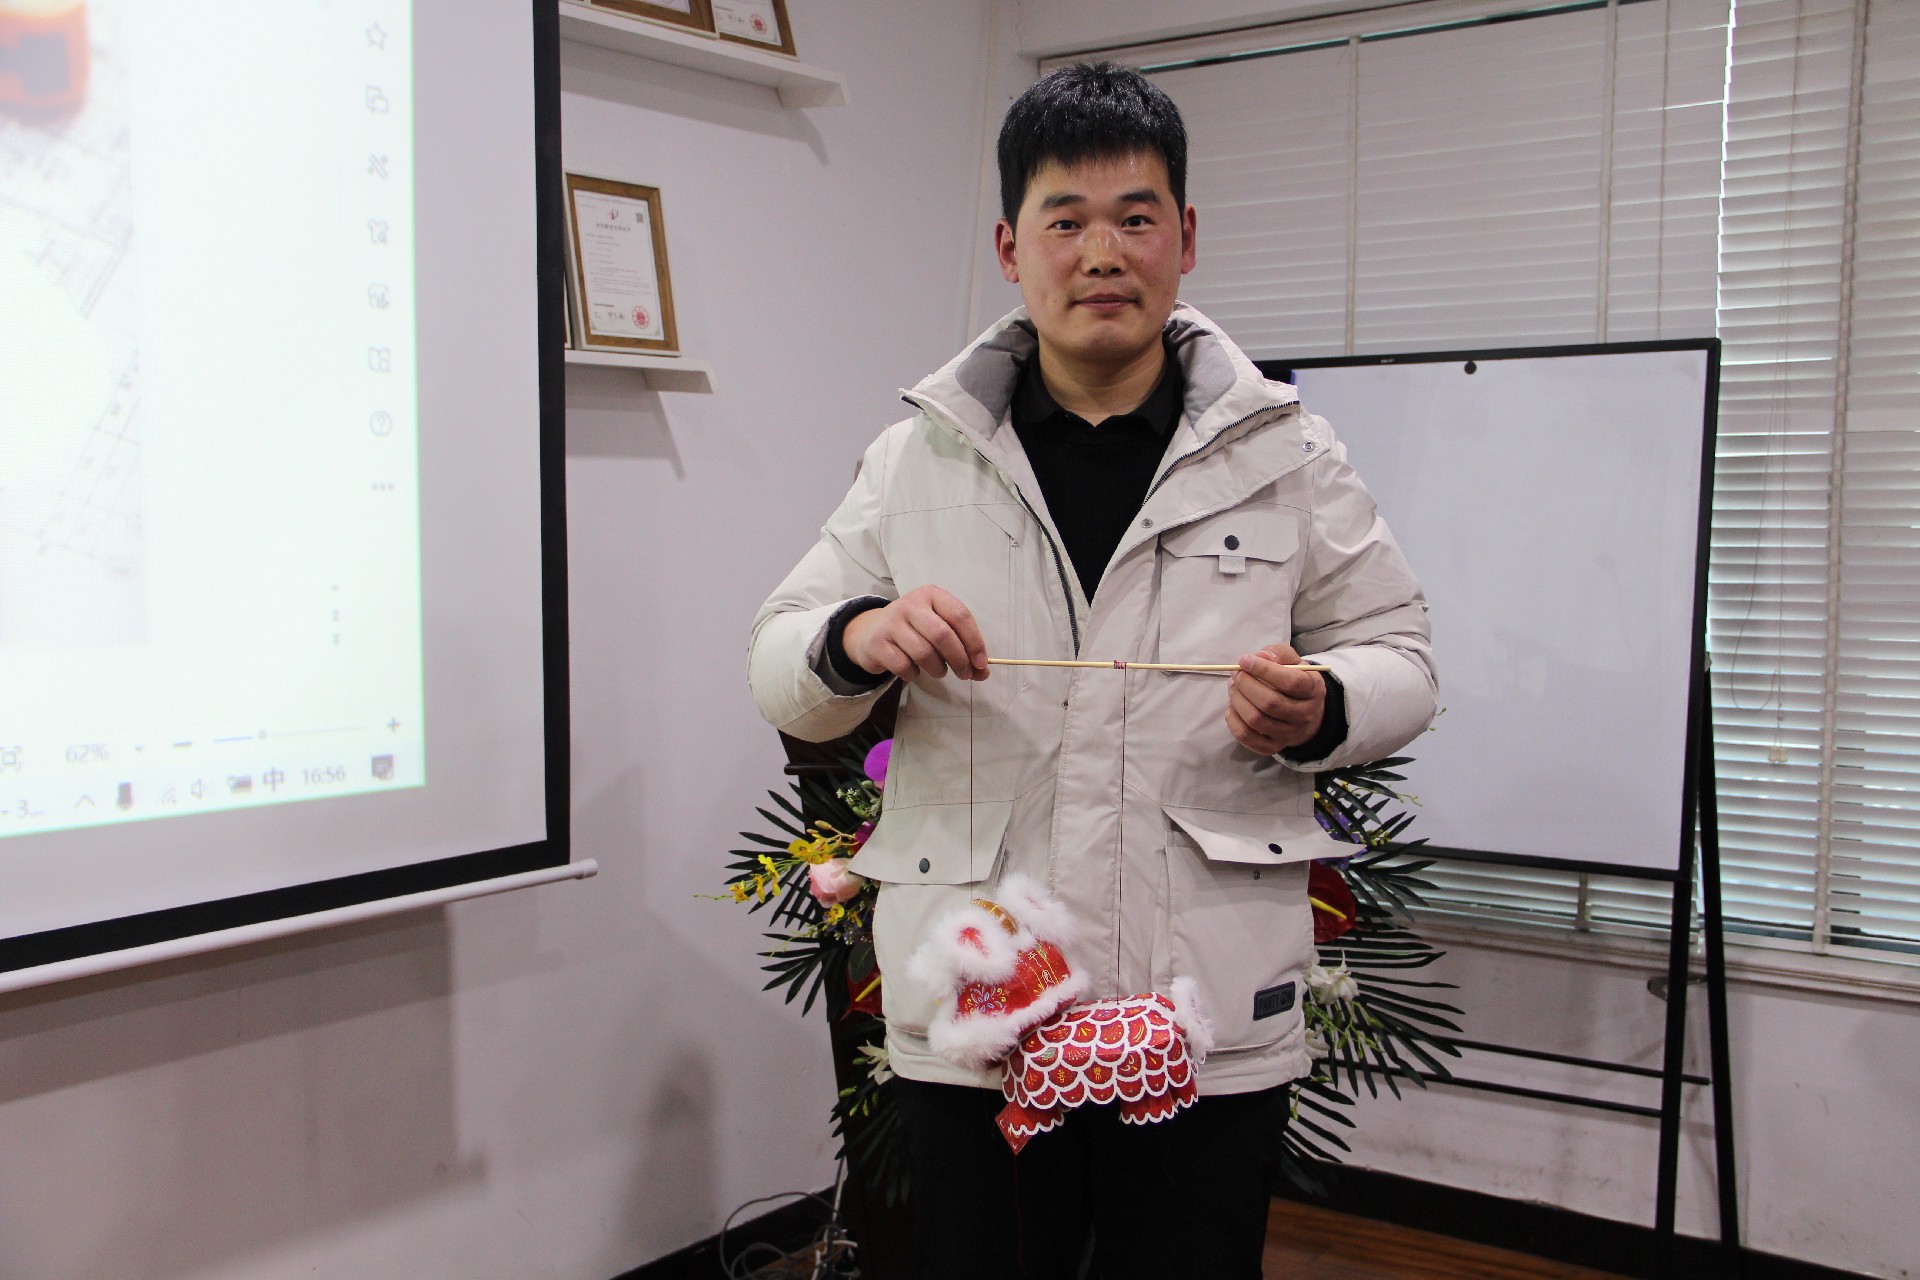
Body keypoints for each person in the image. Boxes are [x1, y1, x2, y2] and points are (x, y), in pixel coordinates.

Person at [749, 62, 1435, 1280]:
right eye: (1066, 221)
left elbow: (1405, 659)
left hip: (1205, 1006)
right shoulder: (918, 460)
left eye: (1135, 217)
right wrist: (855, 635)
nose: (1103, 252)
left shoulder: (1288, 456)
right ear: (1011, 247)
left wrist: (1323, 702)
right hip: (983, 1011)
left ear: (1186, 238)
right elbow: (779, 657)